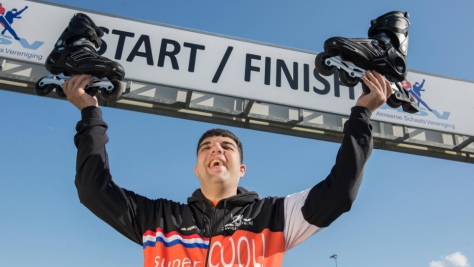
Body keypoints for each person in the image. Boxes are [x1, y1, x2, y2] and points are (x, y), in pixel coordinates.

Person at [63, 70, 392, 267]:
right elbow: (94, 190)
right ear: (196, 169)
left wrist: (361, 115)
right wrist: (90, 115)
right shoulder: (158, 219)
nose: (215, 149)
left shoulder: (275, 216)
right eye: (206, 148)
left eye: (226, 147)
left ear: (242, 169)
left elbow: (340, 192)